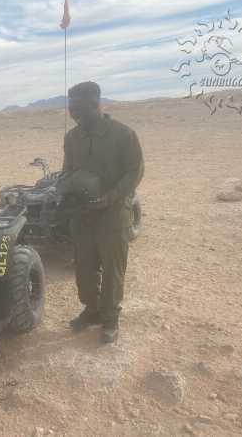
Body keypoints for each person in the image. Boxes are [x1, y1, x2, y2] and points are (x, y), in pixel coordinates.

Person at [58, 81, 144, 343]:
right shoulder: (72, 138)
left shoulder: (123, 135)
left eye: (78, 108)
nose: (73, 113)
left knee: (112, 270)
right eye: (71, 108)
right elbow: (67, 170)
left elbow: (134, 172)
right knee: (84, 268)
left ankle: (110, 318)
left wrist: (110, 198)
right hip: (82, 216)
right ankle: (92, 309)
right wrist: (65, 190)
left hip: (113, 215)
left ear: (95, 104)